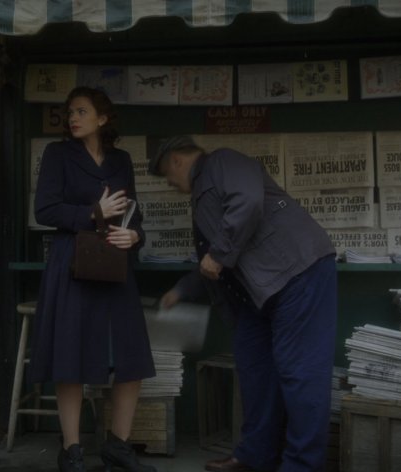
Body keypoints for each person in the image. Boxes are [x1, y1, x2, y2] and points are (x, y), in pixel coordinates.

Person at [149, 136, 337, 472]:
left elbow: (247, 203)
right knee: (254, 370)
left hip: (297, 272)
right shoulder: (202, 195)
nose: (170, 184)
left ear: (176, 160)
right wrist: (182, 289)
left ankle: (302, 466)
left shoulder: (222, 162)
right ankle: (254, 456)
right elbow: (211, 259)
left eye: (167, 175)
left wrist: (219, 255)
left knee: (301, 374)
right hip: (258, 291)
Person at [30, 86, 157, 472]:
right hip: (73, 263)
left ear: (102, 119)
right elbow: (45, 210)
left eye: (82, 111)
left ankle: (118, 445)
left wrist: (135, 236)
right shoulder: (57, 154)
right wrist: (93, 211)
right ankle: (71, 450)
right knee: (70, 356)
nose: (73, 118)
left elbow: (133, 214)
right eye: (71, 112)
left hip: (116, 264)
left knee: (130, 357)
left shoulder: (120, 159)